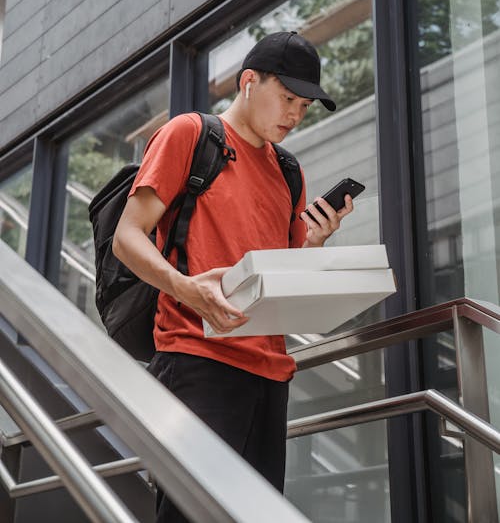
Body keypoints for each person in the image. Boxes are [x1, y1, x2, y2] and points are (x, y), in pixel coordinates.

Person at [113, 31, 354, 521]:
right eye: (287, 98)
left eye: (305, 105)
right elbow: (127, 236)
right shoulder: (190, 135)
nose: (295, 114)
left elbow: (281, 271)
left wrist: (314, 242)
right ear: (249, 81)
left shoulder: (288, 170)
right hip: (196, 358)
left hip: (269, 372)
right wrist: (185, 289)